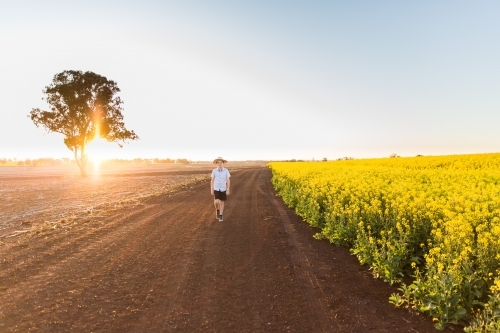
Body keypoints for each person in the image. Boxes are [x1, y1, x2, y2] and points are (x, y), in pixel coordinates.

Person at [211, 157, 230, 222]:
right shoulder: (214, 171)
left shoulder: (226, 171)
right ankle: (217, 210)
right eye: (218, 162)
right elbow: (212, 180)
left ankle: (221, 215)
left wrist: (227, 189)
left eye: (221, 162)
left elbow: (228, 180)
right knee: (216, 202)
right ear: (216, 163)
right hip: (216, 188)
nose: (219, 164)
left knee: (222, 202)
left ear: (223, 163)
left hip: (223, 188)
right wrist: (211, 189)